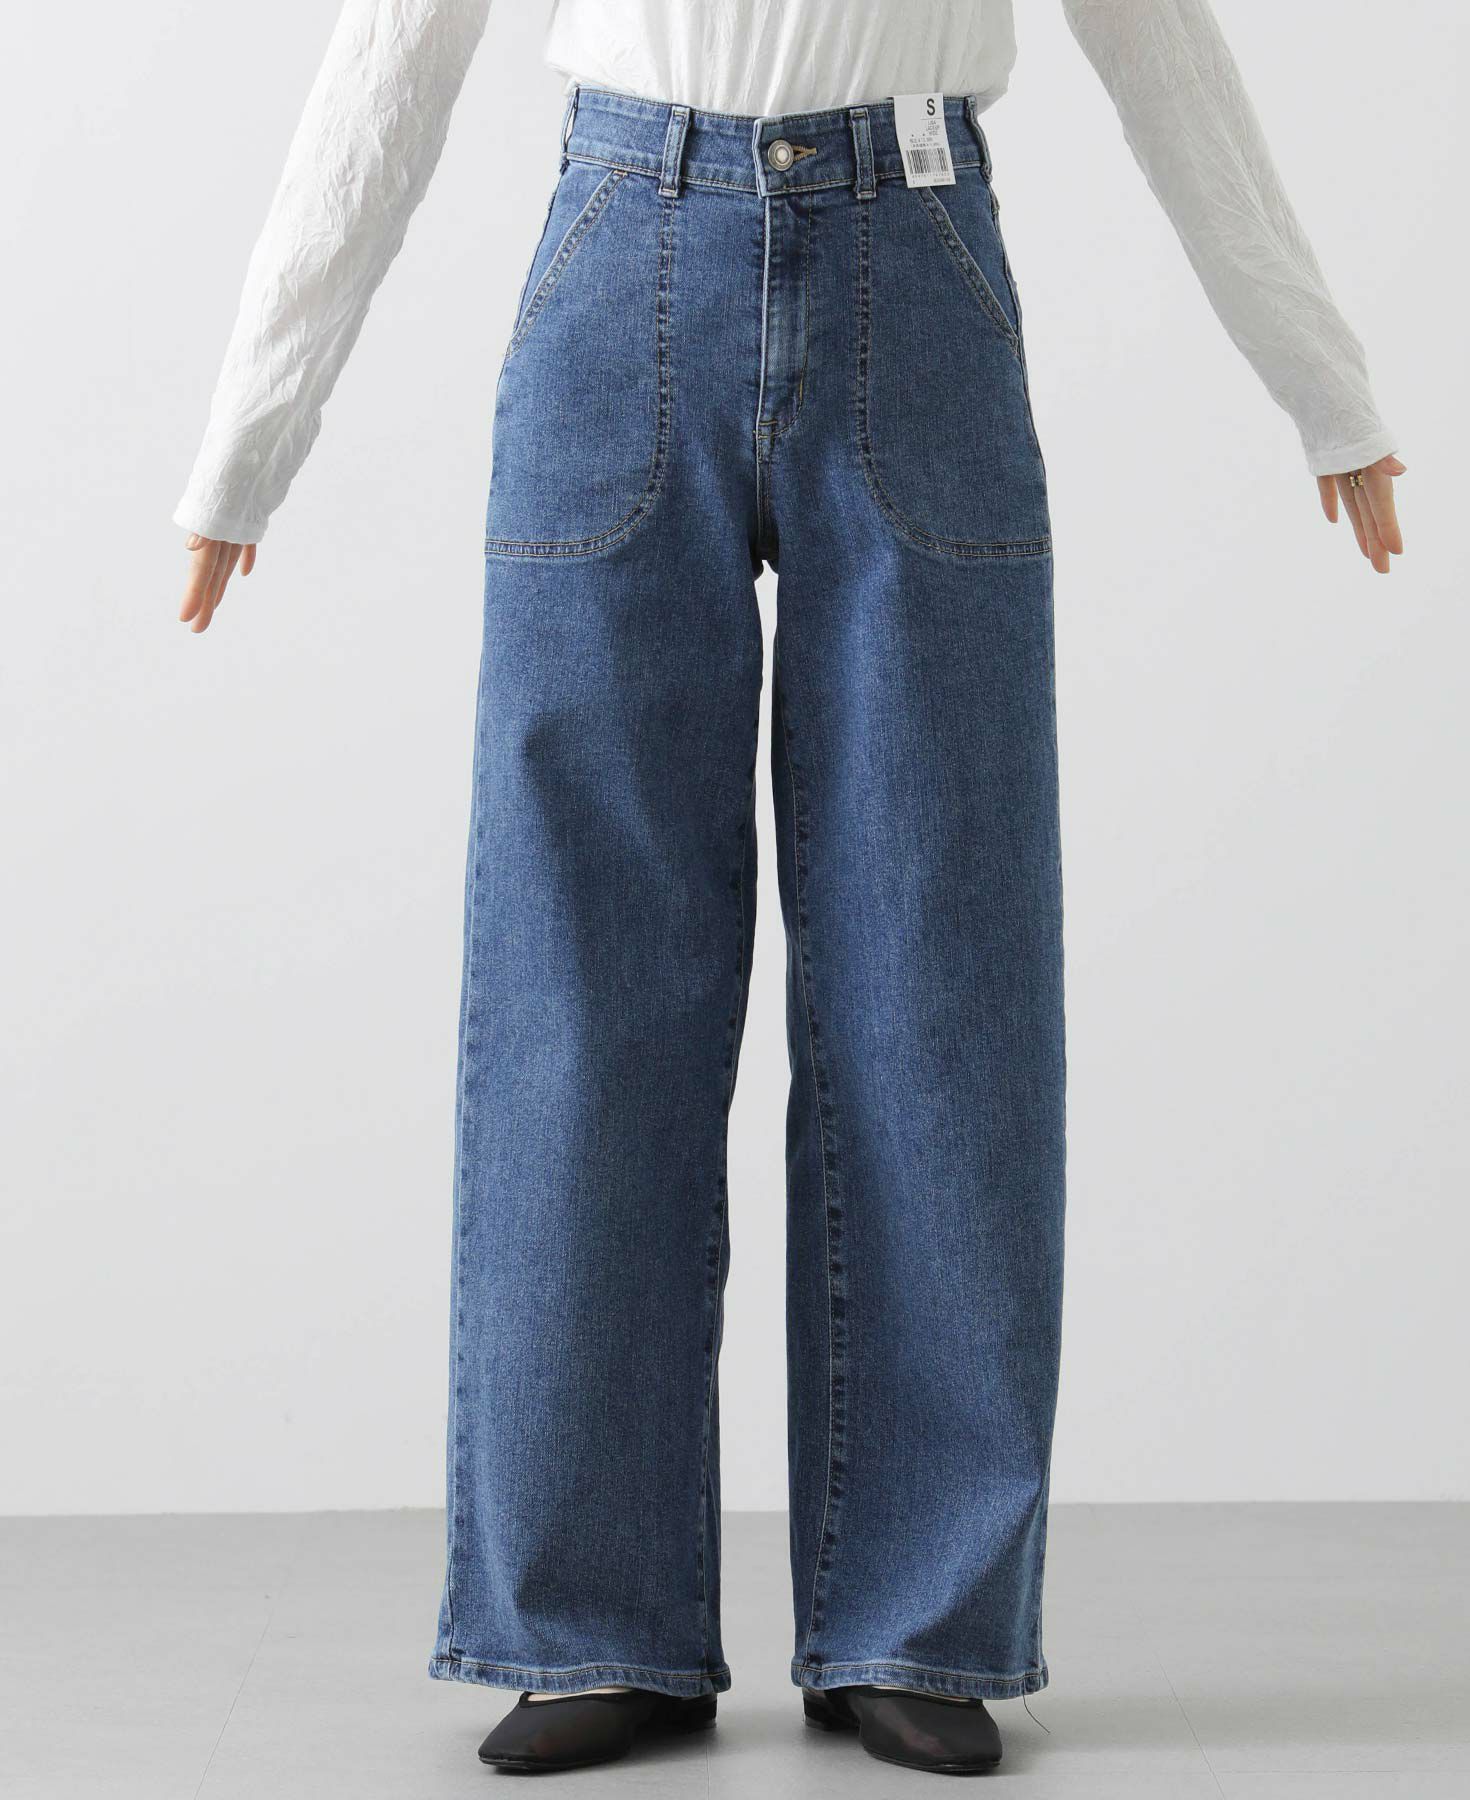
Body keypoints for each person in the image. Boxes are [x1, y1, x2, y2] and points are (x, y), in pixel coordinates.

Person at [172, 0, 1405, 1778]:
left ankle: (918, 1623)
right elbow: (398, 49)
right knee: (580, 989)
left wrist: (1322, 383)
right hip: (622, 259)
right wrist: (251, 432)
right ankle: (591, 1624)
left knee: (940, 972)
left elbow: (1156, 35)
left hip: (920, 262)